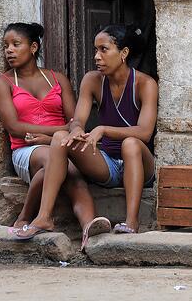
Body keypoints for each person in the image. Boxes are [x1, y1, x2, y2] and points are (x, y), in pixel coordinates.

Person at [16, 24, 157, 239]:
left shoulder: (145, 83)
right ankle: (44, 216)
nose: (97, 57)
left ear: (124, 53)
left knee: (130, 143)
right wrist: (77, 130)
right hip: (107, 165)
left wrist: (103, 129)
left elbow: (145, 132)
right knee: (61, 137)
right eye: (95, 50)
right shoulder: (92, 80)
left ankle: (131, 221)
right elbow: (78, 119)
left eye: (104, 49)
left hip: (139, 165)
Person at [0, 22, 111, 247]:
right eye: (6, 45)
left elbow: (75, 121)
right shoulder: (2, 83)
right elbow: (16, 127)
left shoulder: (57, 79)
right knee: (60, 162)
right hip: (26, 150)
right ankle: (34, 216)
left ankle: (89, 227)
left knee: (69, 168)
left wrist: (53, 138)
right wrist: (59, 131)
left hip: (58, 145)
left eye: (16, 44)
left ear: (33, 47)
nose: (9, 50)